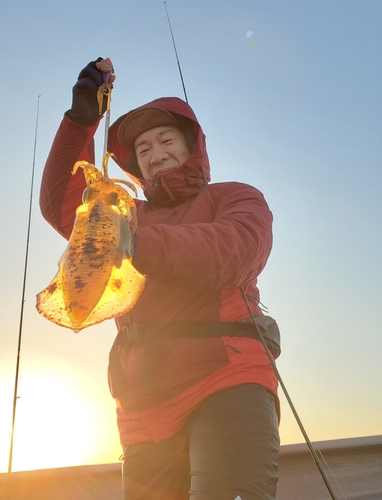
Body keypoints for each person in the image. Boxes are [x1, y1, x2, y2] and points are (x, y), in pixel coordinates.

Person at [40, 57, 281, 500]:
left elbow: (236, 249)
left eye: (166, 139)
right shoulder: (126, 212)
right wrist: (80, 122)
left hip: (225, 382)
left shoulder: (235, 197)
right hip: (141, 403)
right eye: (143, 150)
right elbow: (63, 204)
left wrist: (132, 244)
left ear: (193, 147)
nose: (155, 153)